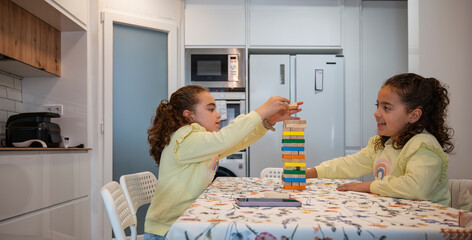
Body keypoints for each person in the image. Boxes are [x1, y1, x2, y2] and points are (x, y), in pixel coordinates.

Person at [144, 85, 302, 239]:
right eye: (211, 109)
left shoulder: (200, 143)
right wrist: (261, 112)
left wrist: (266, 123)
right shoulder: (184, 138)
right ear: (189, 115)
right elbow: (224, 139)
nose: (218, 115)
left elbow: (237, 142)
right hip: (169, 229)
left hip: (187, 222)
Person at [306, 73, 454, 206]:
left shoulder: (423, 145)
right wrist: (312, 172)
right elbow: (351, 164)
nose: (376, 113)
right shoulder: (384, 142)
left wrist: (367, 186)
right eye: (378, 106)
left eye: (387, 108)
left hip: (428, 225)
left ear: (414, 115)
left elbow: (417, 186)